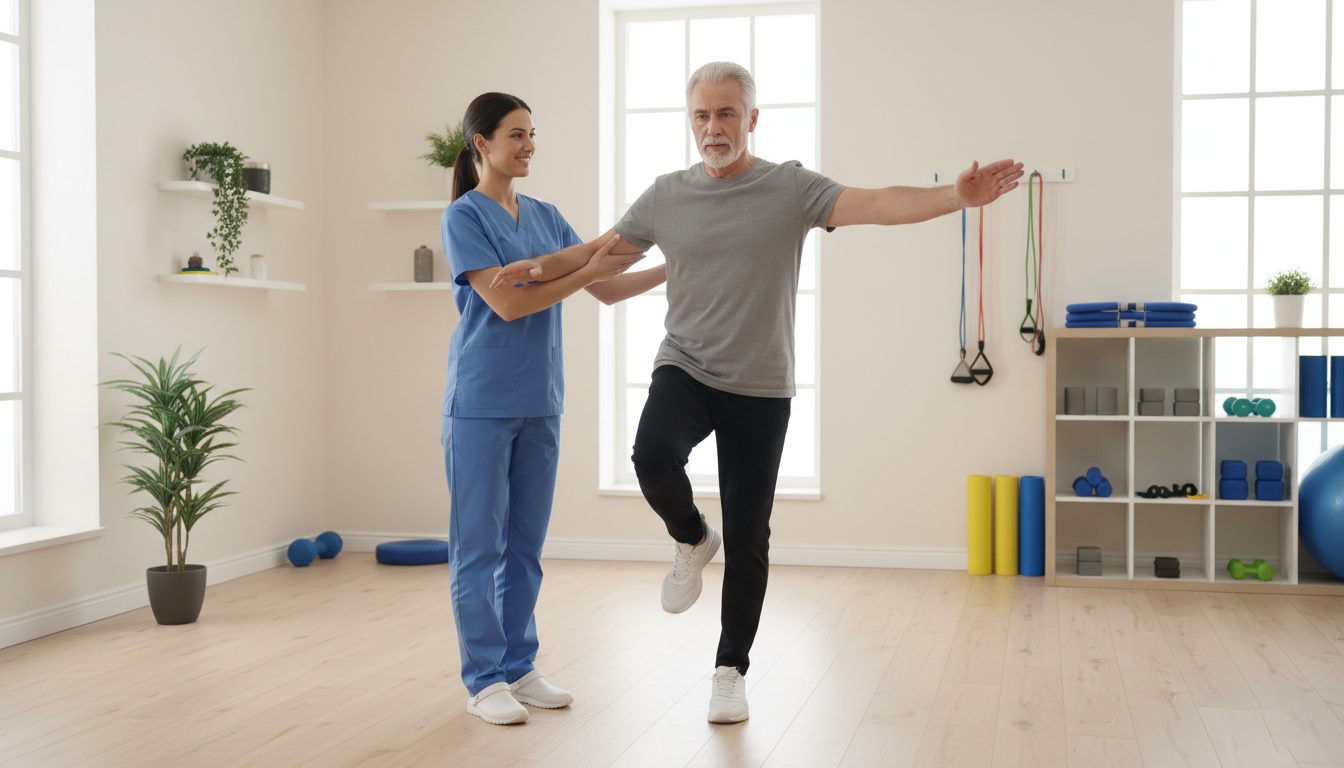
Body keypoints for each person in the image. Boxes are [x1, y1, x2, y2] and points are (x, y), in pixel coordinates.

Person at [490, 62, 1023, 724]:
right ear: (691, 121)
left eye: (727, 114)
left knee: (749, 536)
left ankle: (729, 670)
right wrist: (540, 267)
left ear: (752, 119)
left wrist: (956, 197)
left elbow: (880, 203)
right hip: (684, 364)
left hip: (761, 384)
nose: (713, 128)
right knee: (651, 456)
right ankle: (689, 537)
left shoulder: (790, 188)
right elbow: (604, 251)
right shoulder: (666, 195)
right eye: (701, 116)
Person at [440, 91, 665, 725]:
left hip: (541, 400)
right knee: (478, 548)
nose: (529, 144)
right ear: (482, 143)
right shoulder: (464, 217)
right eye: (516, 135)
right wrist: (578, 264)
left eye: (532, 133)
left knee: (525, 547)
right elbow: (508, 304)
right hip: (480, 403)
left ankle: (519, 667)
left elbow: (610, 286)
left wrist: (674, 268)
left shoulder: (545, 214)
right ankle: (484, 680)